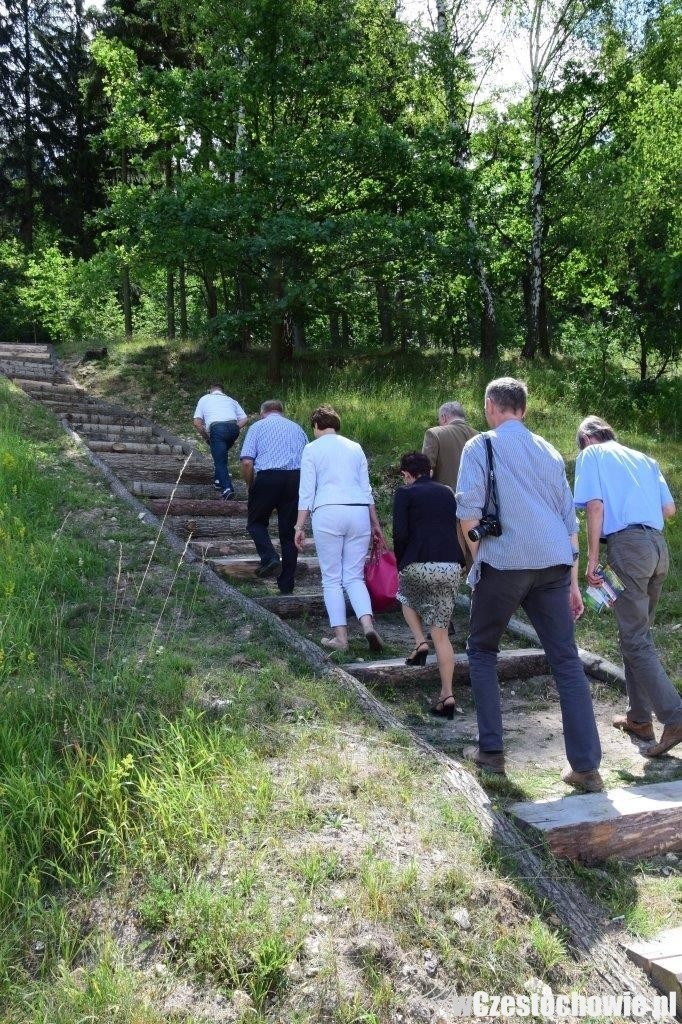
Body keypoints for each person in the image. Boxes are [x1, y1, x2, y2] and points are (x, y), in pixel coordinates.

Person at [456, 377, 603, 792]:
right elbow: (566, 518)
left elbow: (468, 512)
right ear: (523, 408)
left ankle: (492, 754)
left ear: (490, 406)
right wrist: (573, 580)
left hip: (504, 562)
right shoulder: (549, 449)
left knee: (483, 650)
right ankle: (586, 766)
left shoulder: (480, 445)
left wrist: (477, 562)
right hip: (555, 564)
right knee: (566, 660)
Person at [574, 415, 681, 757]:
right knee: (637, 635)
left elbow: (594, 506)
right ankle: (639, 717)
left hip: (628, 547)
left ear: (587, 439)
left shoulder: (592, 455)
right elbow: (669, 510)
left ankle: (674, 717)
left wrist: (592, 559)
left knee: (635, 638)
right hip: (657, 548)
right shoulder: (645, 460)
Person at [294, 405, 384, 652]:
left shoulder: (312, 449)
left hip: (328, 511)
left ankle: (341, 639)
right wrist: (375, 524)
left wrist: (299, 526)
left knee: (331, 578)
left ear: (315, 426)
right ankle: (367, 625)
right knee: (354, 576)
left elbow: (307, 491)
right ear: (336, 424)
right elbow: (367, 490)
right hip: (358, 512)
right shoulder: (355, 447)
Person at [393, 451, 464, 718]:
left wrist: (402, 561)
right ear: (429, 470)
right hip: (450, 565)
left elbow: (400, 532)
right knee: (442, 632)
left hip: (418, 562)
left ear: (406, 474)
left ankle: (419, 642)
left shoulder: (405, 493)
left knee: (404, 596)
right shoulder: (447, 492)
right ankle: (447, 694)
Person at [240, 400, 309, 595]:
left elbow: (246, 462)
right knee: (289, 533)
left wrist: (250, 485)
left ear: (263, 413)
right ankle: (286, 585)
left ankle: (269, 557)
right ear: (281, 412)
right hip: (295, 480)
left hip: (268, 478)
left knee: (255, 522)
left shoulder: (258, 426)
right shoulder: (297, 429)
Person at [193, 384, 248, 499]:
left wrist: (207, 438)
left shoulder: (204, 398)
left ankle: (227, 489)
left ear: (210, 391)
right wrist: (236, 428)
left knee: (220, 461)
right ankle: (218, 480)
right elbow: (245, 418)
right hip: (233, 429)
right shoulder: (231, 400)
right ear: (222, 391)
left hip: (217, 429)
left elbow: (197, 423)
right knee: (221, 455)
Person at [422, 401, 477, 488]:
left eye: (438, 419)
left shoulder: (434, 433)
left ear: (443, 417)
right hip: (477, 498)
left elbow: (424, 471)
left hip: (444, 497)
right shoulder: (480, 436)